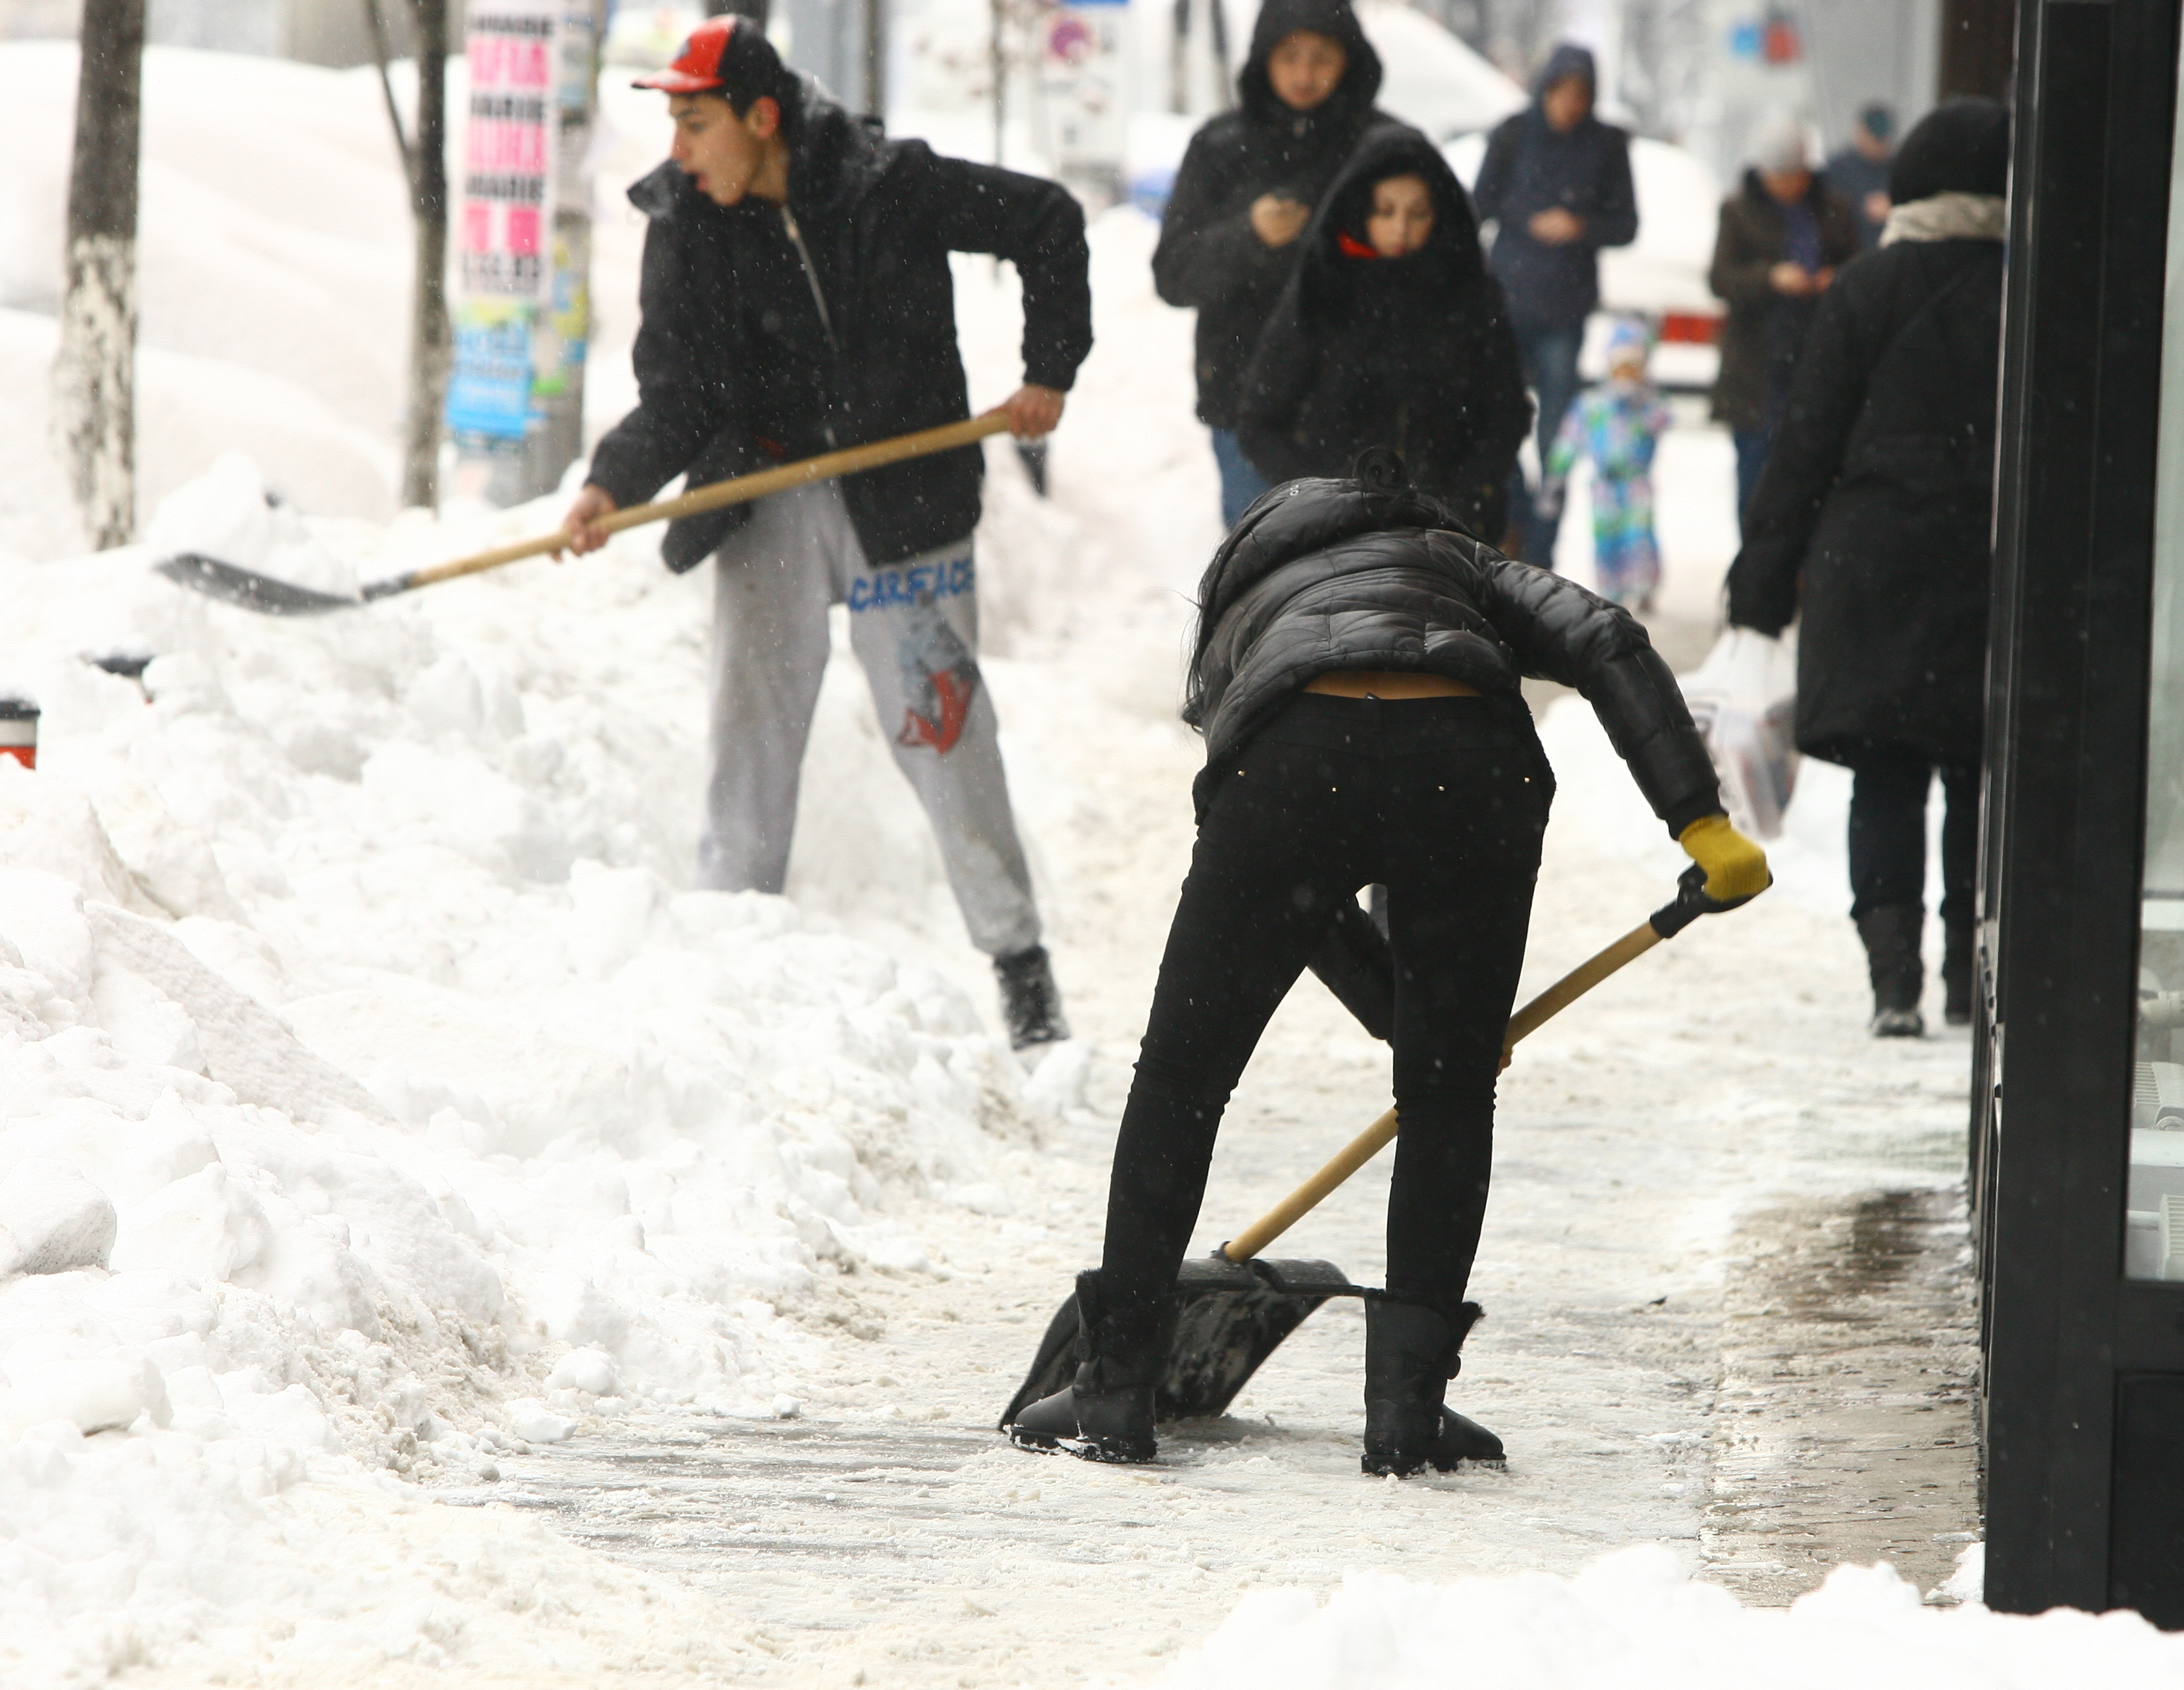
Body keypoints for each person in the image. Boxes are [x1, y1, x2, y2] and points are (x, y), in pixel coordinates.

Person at [1007, 448, 1769, 1473]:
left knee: (1183, 1080)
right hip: (1468, 768)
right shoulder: (1462, 564)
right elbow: (1605, 637)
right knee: (1448, 1095)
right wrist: (1699, 822)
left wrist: (1389, 996)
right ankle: (1404, 1418)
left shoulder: (1249, 609)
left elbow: (1294, 896)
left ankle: (1115, 1392)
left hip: (1293, 772)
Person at [555, 16, 1093, 1050]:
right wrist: (609, 484)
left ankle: (1022, 969)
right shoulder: (686, 222)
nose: (679, 148)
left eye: (696, 122)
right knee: (749, 725)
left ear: (762, 119)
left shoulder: (887, 185)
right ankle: (727, 953)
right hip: (767, 494)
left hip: (907, 496)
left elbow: (1049, 221)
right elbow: (676, 394)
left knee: (943, 729)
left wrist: (1048, 372)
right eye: (673, 122)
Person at [1722, 98, 2010, 1037]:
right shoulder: (2036, 291)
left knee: (1886, 772)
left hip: (1876, 560)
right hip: (1993, 563)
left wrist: (1764, 579)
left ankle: (1894, 984)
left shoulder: (1868, 288)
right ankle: (1976, 974)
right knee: (1978, 771)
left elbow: (1805, 440)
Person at [1152, 0, 1395, 529]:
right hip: (1246, 403)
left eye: (1321, 57)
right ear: (1263, 59)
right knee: (1262, 576)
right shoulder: (1221, 146)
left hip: (1365, 403)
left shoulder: (1382, 148)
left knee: (1363, 580)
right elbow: (1173, 272)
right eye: (1290, 57)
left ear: (1349, 60)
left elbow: (1436, 264)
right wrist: (1249, 237)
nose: (1304, 74)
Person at [1237, 129, 1532, 539]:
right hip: (1338, 540)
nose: (1401, 228)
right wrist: (1324, 497)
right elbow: (1261, 419)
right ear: (1359, 210)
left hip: (1453, 536)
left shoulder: (1470, 293)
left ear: (1442, 214)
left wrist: (1463, 495)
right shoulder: (1324, 286)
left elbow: (1507, 411)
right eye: (1385, 210)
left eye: (1418, 213)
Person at [1470, 44, 1638, 563]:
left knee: (1558, 438)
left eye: (1581, 95)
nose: (1569, 104)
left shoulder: (1607, 145)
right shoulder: (1513, 133)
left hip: (1565, 310)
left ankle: (1542, 544)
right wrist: (1528, 217)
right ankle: (1507, 522)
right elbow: (1480, 202)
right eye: (1562, 92)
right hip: (1506, 302)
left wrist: (1581, 225)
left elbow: (1626, 224)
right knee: (1494, 420)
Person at [1708, 115, 1864, 527]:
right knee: (1755, 472)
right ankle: (1752, 565)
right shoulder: (1738, 210)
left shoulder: (1833, 207)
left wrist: (1835, 279)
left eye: (1793, 174)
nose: (1786, 184)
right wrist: (1771, 277)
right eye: (1777, 176)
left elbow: (1861, 266)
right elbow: (1721, 278)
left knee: (1813, 468)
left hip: (1815, 352)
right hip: (1757, 365)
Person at [1540, 317, 1670, 614]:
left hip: (1636, 481)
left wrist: (1643, 397)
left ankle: (1644, 586)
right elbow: (1569, 440)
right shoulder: (1593, 406)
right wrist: (1556, 476)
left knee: (1638, 536)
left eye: (1634, 369)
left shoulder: (1647, 404)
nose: (1626, 376)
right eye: (1621, 367)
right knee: (1607, 539)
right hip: (1604, 485)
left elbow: (1663, 419)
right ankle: (1612, 589)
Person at [1821, 103, 1896, 244]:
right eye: (1874, 138)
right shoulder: (1837, 168)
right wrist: (1862, 208)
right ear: (1859, 131)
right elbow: (1829, 214)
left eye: (1882, 139)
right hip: (1854, 248)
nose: (1878, 145)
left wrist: (1894, 208)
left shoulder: (1897, 166)